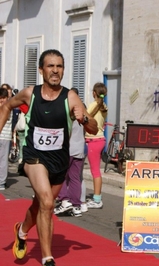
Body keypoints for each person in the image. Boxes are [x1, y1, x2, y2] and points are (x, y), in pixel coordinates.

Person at [0, 49, 98, 266]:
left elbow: (93, 127)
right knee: (46, 202)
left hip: (59, 161)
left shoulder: (70, 97)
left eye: (59, 66)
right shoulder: (29, 94)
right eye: (51, 66)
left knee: (41, 204)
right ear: (41, 70)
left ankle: (22, 231)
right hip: (34, 157)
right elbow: (7, 105)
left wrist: (84, 119)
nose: (55, 70)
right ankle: (47, 258)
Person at [54, 88, 86, 217]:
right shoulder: (83, 111)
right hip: (79, 148)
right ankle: (76, 205)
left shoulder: (68, 112)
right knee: (75, 178)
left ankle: (65, 200)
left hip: (67, 149)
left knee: (60, 175)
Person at [85, 82, 108, 209]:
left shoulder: (93, 105)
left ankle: (97, 199)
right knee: (96, 170)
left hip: (93, 140)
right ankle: (97, 198)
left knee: (95, 171)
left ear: (94, 93)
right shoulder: (104, 106)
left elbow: (84, 119)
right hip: (100, 139)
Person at [0, 87, 12, 190]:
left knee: (3, 160)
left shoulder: (8, 107)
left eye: (3, 98)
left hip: (5, 136)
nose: (1, 100)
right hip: (3, 136)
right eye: (0, 98)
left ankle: (1, 182)